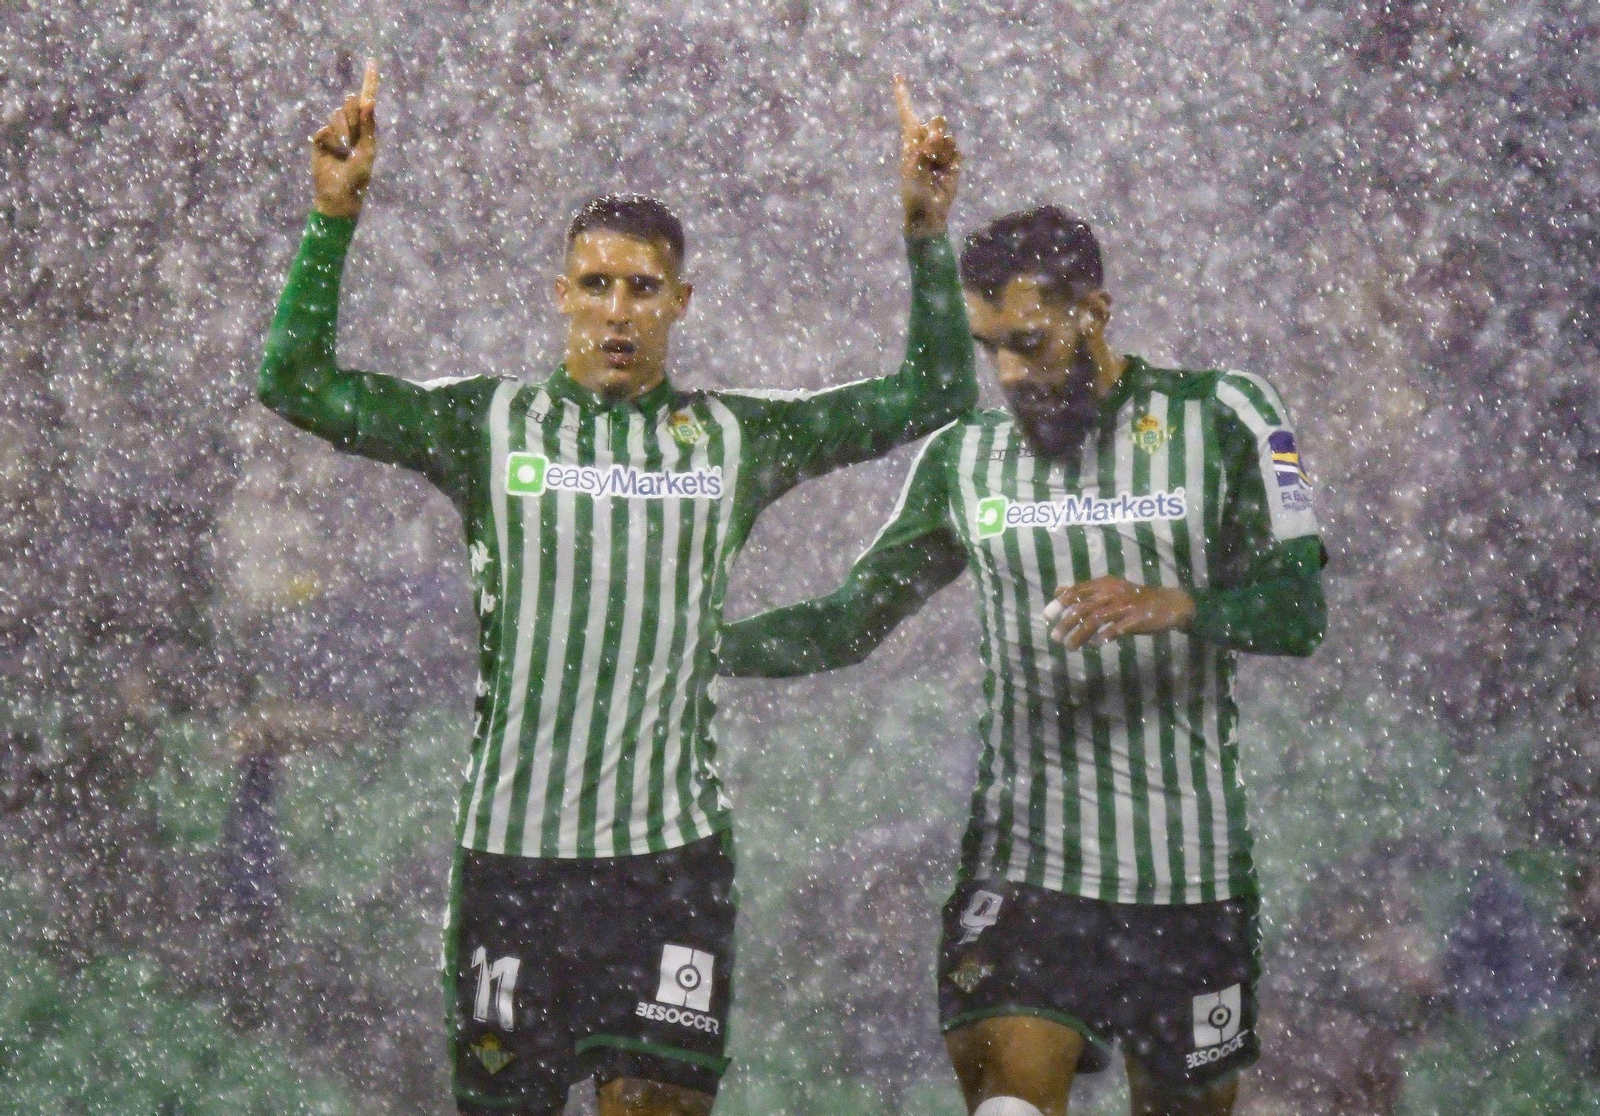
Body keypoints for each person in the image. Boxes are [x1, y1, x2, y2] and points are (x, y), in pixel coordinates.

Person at [257, 62, 974, 1116]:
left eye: (642, 288)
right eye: (595, 285)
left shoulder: (733, 439)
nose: (617, 311)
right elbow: (294, 383)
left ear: (681, 302)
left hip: (667, 865)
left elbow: (937, 390)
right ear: (561, 297)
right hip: (514, 859)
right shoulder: (485, 426)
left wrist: (923, 231)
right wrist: (331, 221)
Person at [719, 206, 1327, 1116]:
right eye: (989, 347)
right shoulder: (966, 459)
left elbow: (1300, 611)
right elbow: (850, 621)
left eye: (1029, 343)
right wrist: (698, 646)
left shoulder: (1224, 415)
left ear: (1096, 312)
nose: (1007, 374)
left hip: (1189, 874)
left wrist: (1182, 605)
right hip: (1026, 870)